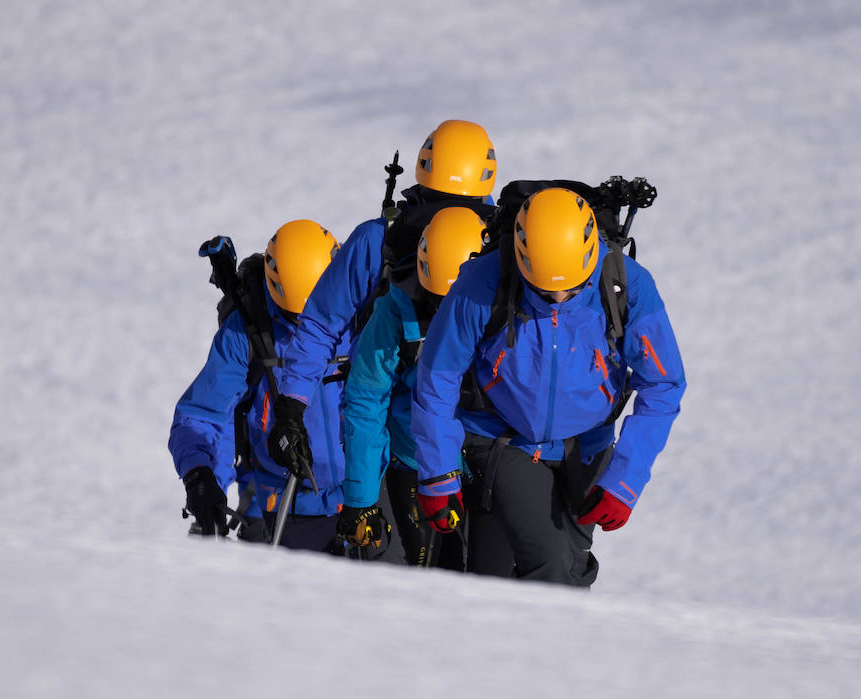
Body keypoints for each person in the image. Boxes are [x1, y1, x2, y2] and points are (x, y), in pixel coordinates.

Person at [409, 186, 686, 586]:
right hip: (505, 440)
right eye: (542, 289)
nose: (557, 298)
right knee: (550, 566)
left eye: (571, 289)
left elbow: (663, 384)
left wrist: (626, 477)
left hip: (588, 447)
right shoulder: (482, 282)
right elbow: (437, 377)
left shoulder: (626, 285)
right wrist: (437, 473)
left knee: (574, 570)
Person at [266, 120, 499, 481]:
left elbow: (320, 325)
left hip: (384, 440)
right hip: (486, 440)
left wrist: (292, 405)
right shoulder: (500, 243)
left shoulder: (376, 240)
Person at [169, 219, 351, 552]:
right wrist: (201, 477)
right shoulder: (248, 331)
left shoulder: (365, 311)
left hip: (369, 494)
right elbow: (205, 413)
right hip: (290, 507)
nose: (312, 330)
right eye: (297, 318)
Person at [337, 206, 489, 565]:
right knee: (432, 579)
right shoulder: (393, 313)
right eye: (436, 302)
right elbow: (366, 400)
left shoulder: (504, 305)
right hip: (415, 464)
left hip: (489, 459)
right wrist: (361, 500)